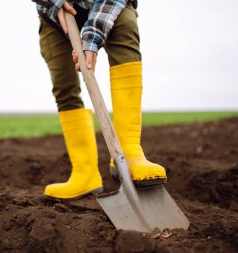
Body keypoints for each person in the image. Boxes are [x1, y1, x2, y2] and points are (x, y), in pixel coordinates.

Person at [32, 0, 167, 200]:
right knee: (64, 86)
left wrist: (92, 35)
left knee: (125, 24)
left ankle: (129, 152)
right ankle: (84, 173)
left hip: (109, 5)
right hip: (53, 16)